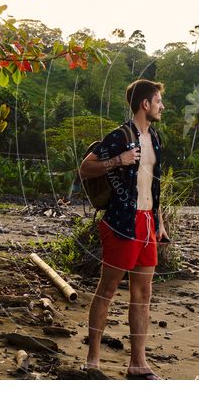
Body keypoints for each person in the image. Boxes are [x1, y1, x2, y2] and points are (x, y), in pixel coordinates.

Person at [79, 79, 169, 379]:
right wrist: (118, 160)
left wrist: (159, 219)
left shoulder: (154, 138)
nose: (161, 107)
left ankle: (138, 364)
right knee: (106, 291)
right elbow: (85, 167)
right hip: (121, 222)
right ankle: (92, 360)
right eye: (158, 102)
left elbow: (154, 184)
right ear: (145, 104)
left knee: (143, 293)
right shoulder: (119, 136)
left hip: (146, 223)